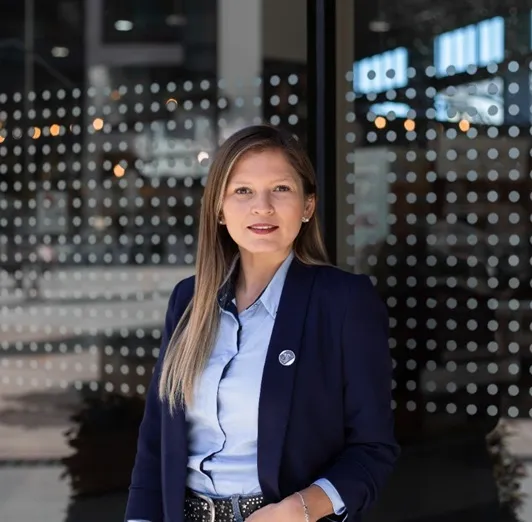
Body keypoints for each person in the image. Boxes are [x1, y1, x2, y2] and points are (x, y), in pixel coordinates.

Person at [125, 124, 399, 522]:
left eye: (281, 189)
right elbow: (155, 440)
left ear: (307, 206)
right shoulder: (188, 300)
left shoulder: (343, 302)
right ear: (219, 209)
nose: (263, 207)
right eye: (243, 191)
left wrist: (298, 510)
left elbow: (373, 448)